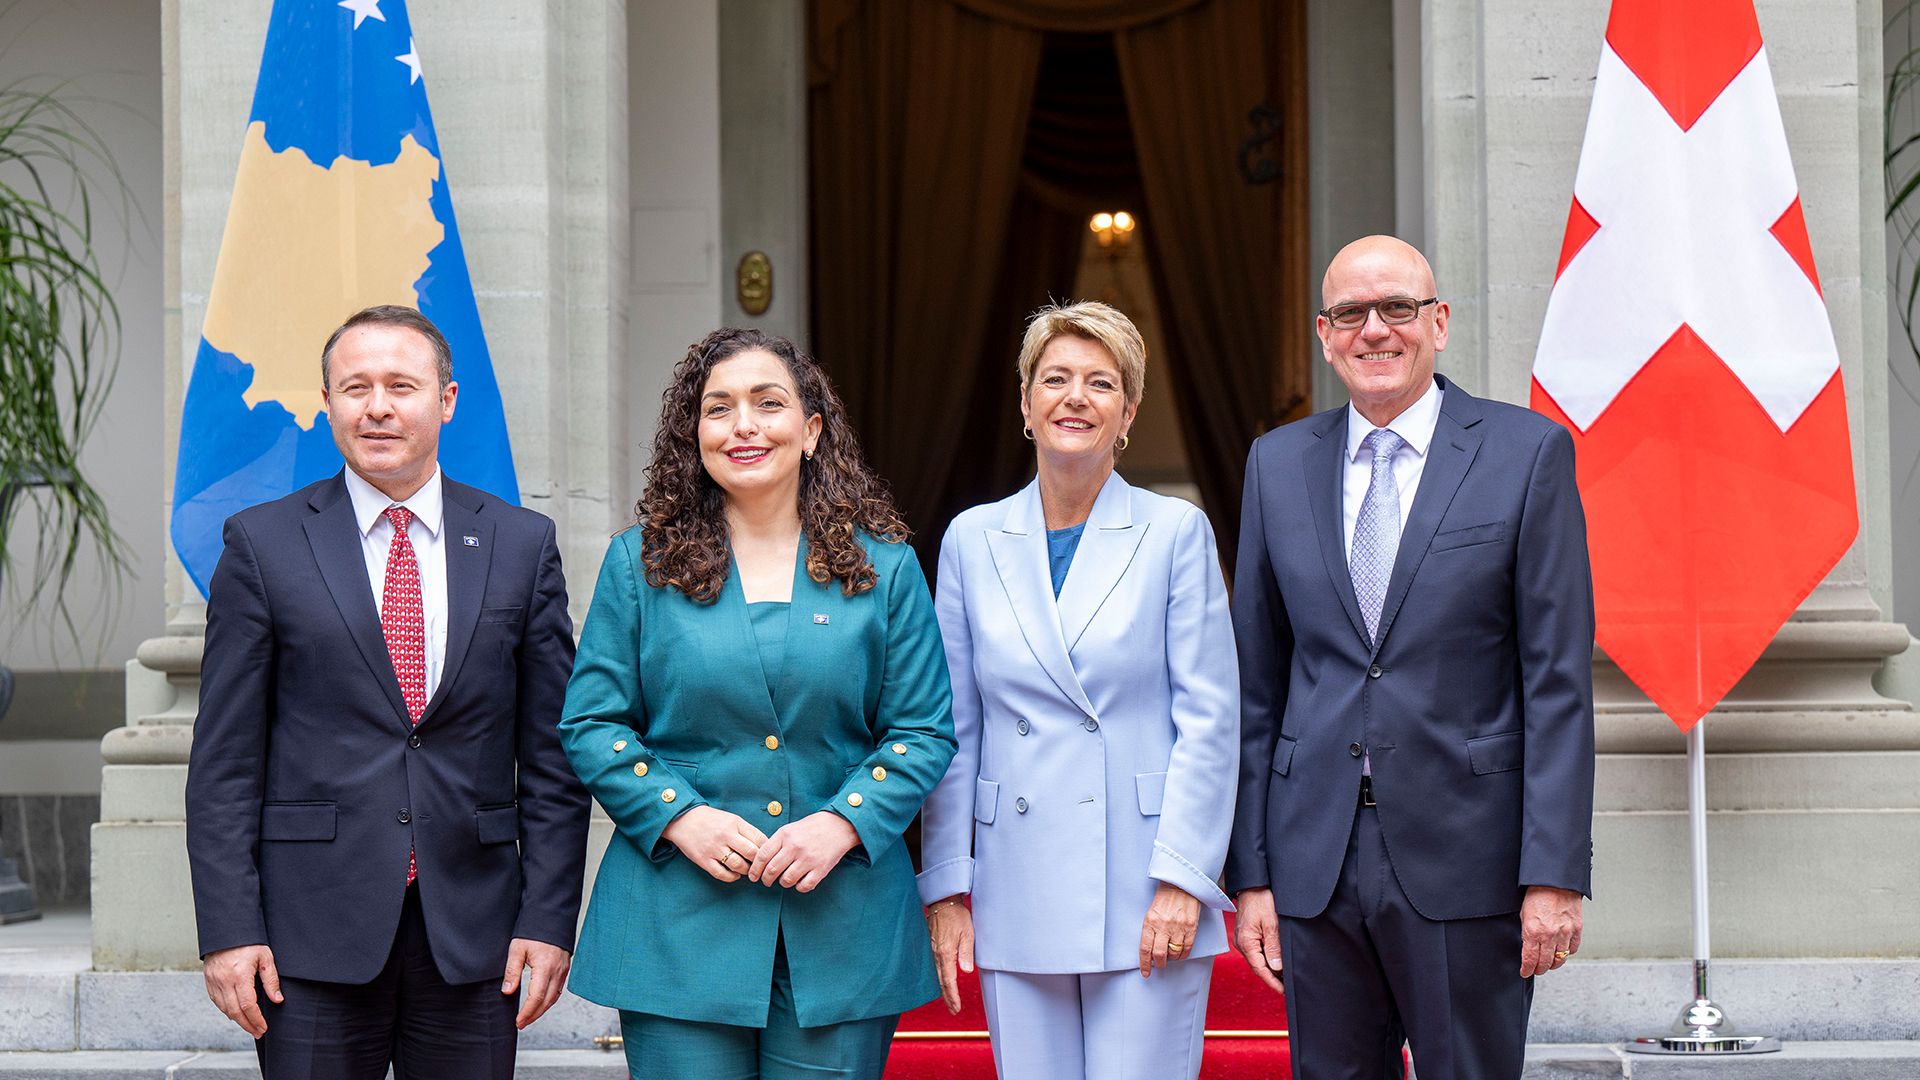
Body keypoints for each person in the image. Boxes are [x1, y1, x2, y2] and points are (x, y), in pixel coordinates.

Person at [186, 305, 591, 1079]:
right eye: (355, 387)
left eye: (401, 386)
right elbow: (224, 764)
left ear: (445, 400)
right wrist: (229, 929)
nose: (377, 407)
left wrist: (548, 918)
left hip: (476, 936)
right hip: (306, 936)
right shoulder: (262, 545)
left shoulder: (520, 544)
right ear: (327, 403)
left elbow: (552, 761)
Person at [1226, 235, 1596, 1079]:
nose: (1375, 331)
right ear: (1325, 334)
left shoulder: (1526, 453)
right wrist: (1251, 873)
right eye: (1351, 313)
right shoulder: (1275, 464)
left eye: (1397, 308)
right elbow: (1258, 685)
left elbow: (1558, 685)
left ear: (1440, 322)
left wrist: (1553, 873)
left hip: (1470, 859)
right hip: (1313, 861)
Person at [559, 327, 956, 1079]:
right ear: (695, 437)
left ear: (810, 432)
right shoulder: (638, 565)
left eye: (767, 404)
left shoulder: (887, 568)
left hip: (840, 927)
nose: (743, 425)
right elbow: (591, 723)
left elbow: (923, 731)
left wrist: (845, 821)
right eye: (719, 409)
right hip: (678, 922)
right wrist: (680, 813)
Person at [918, 301, 1240, 1080]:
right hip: (1013, 879)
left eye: (1101, 383)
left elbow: (1211, 719)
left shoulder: (1175, 531)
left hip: (1143, 884)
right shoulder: (971, 538)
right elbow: (952, 725)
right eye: (1055, 378)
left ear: (1127, 411)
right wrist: (947, 887)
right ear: (1025, 403)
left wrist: (1183, 878)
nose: (1075, 397)